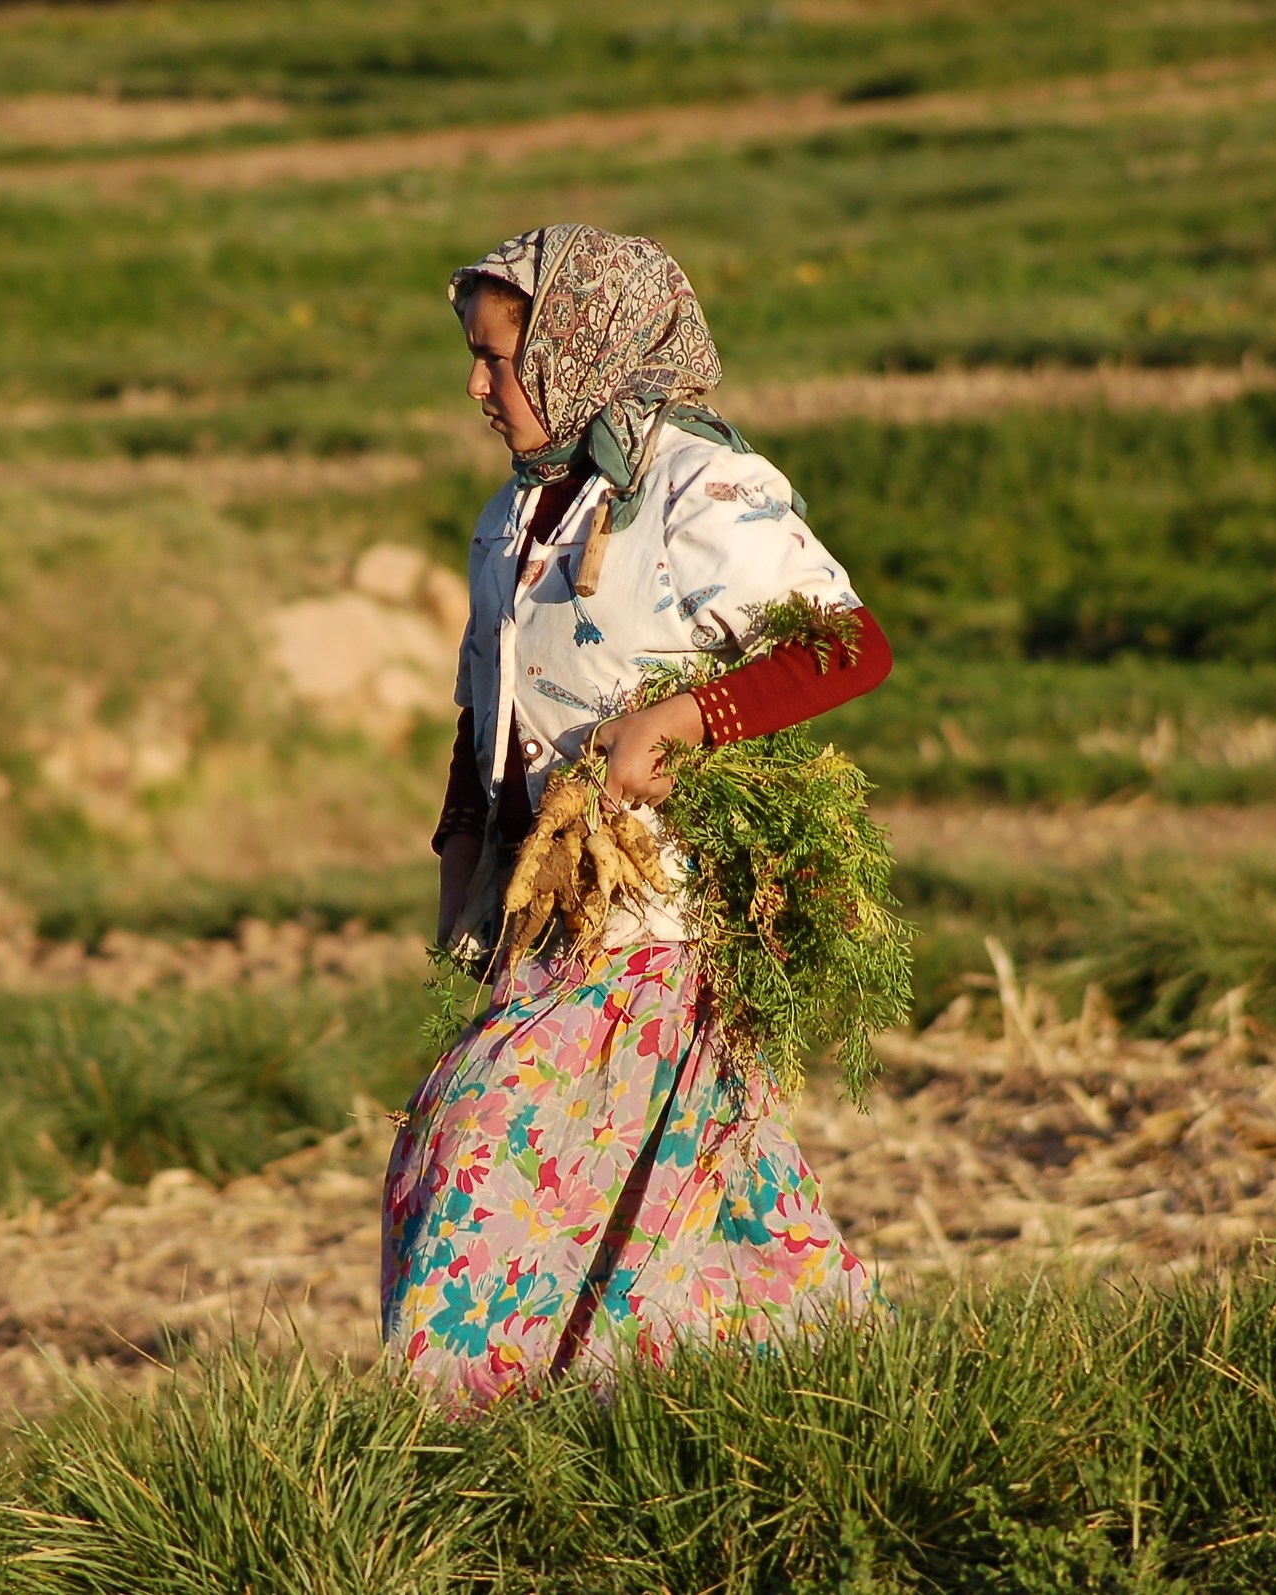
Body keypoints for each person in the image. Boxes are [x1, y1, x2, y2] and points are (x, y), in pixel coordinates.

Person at [382, 224, 896, 1407]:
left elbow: (847, 643)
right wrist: (466, 856)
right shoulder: (509, 520)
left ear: (580, 347)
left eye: (497, 361)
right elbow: (486, 708)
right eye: (474, 359)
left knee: (474, 1151)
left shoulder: (700, 485)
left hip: (657, 927)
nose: (477, 388)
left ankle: (470, 1435)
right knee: (691, 1205)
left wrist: (682, 721)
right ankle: (777, 1400)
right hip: (548, 927)